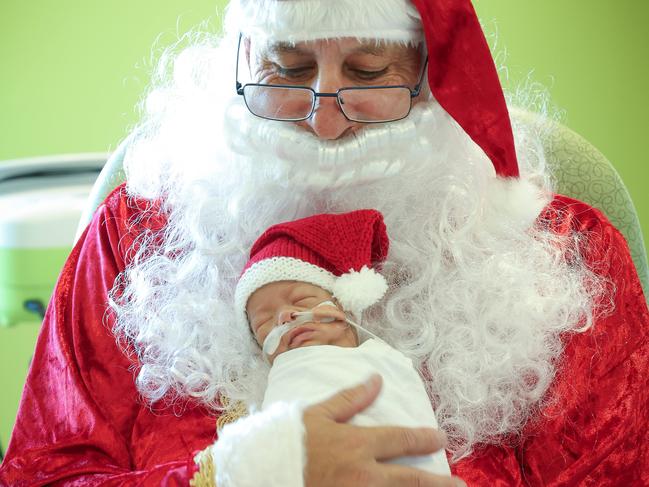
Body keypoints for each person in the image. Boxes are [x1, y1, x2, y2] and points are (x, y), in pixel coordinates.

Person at [1, 0, 647, 485]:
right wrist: (242, 471)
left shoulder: (565, 256)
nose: (324, 119)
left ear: (430, 78)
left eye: (368, 72)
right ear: (241, 59)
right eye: (287, 69)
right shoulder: (133, 238)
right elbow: (43, 471)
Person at [237, 209, 451, 477]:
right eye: (263, 323)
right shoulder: (284, 377)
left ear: (343, 306)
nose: (283, 317)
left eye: (301, 300)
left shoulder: (384, 360)